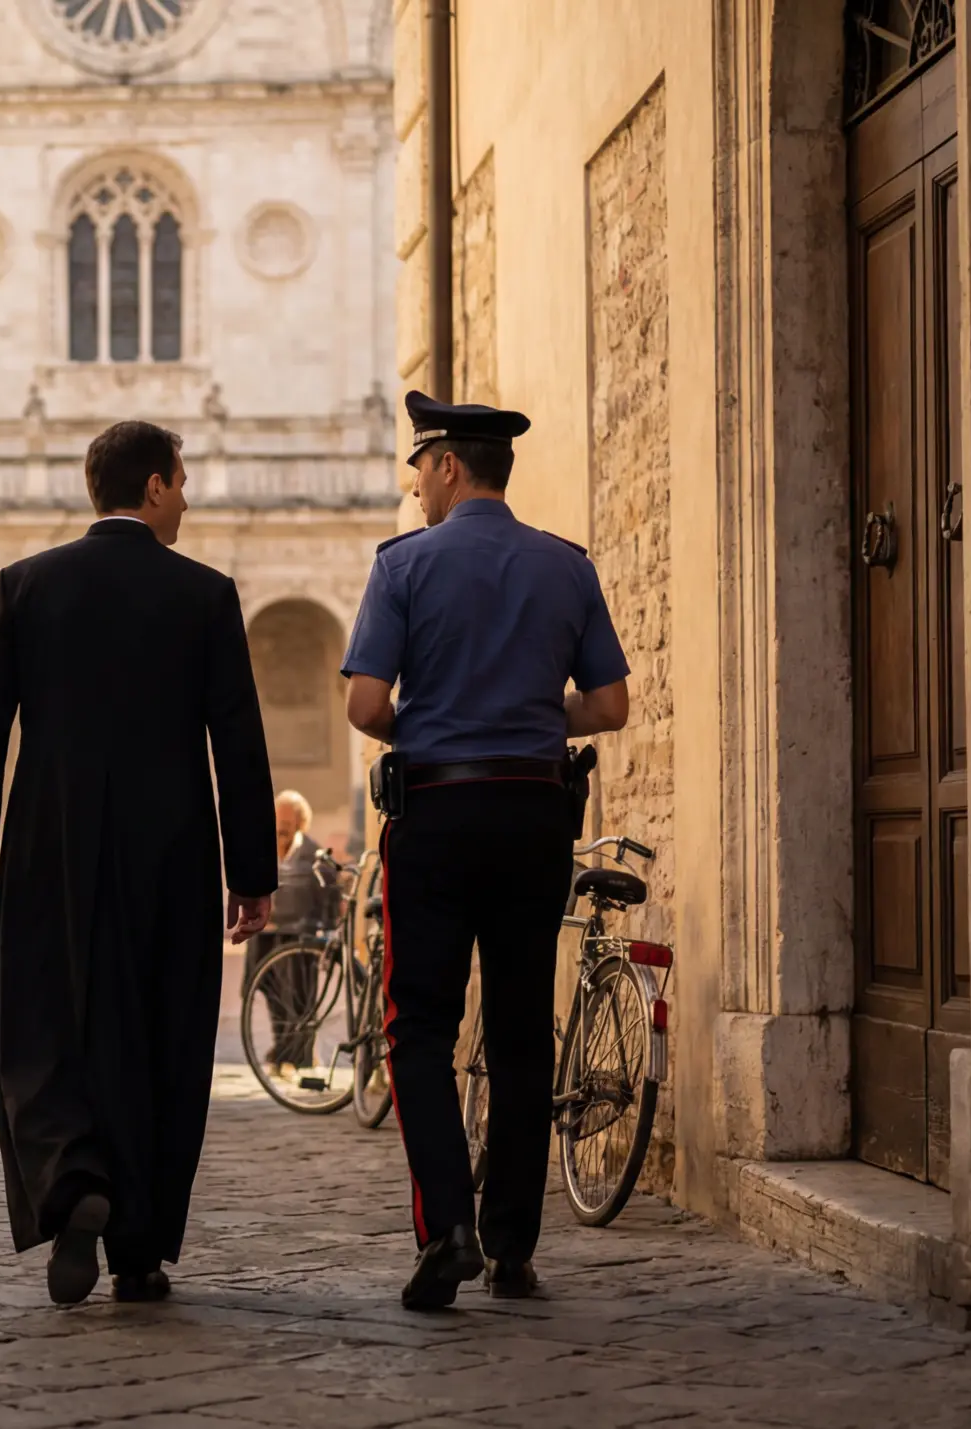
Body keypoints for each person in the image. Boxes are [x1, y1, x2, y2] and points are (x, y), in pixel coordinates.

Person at [0, 420, 275, 1306]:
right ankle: (138, 1246)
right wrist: (252, 874)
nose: (190, 497)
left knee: (40, 1019)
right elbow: (238, 745)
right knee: (158, 1032)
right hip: (169, 842)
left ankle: (70, 1179)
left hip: (48, 834)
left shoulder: (26, 585)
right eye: (184, 480)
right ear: (157, 486)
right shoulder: (205, 594)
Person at [341, 391, 630, 1311]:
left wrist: (420, 724)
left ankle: (449, 1228)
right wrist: (543, 715)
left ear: (450, 466)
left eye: (420, 468)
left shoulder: (403, 567)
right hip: (534, 815)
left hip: (435, 814)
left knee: (417, 1028)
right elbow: (611, 705)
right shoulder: (565, 566)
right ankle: (511, 1246)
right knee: (516, 1030)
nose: (414, 485)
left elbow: (363, 706)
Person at [249, 791, 329, 1076]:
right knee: (271, 992)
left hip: (298, 936)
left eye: (287, 820)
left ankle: (297, 1057)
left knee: (298, 997)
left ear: (300, 822)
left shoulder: (312, 853)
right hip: (268, 934)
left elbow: (325, 894)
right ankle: (282, 1050)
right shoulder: (264, 849)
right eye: (277, 818)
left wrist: (322, 928)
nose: (280, 826)